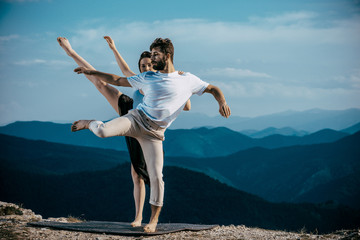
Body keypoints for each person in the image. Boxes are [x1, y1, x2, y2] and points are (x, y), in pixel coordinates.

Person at [71, 38, 231, 232]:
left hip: (155, 135)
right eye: (151, 54)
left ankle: (153, 221)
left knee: (156, 177)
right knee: (102, 131)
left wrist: (221, 102)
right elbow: (116, 79)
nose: (152, 58)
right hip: (136, 119)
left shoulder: (187, 79)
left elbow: (213, 88)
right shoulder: (148, 77)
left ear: (168, 55)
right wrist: (92, 72)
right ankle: (88, 123)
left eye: (155, 54)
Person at [57, 36, 190, 228]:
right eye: (142, 66)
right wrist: (113, 49)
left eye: (148, 65)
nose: (145, 68)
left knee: (143, 175)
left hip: (148, 127)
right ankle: (72, 53)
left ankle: (144, 217)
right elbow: (122, 73)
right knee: (101, 84)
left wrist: (180, 81)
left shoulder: (159, 81)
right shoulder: (142, 79)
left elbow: (185, 105)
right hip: (130, 112)